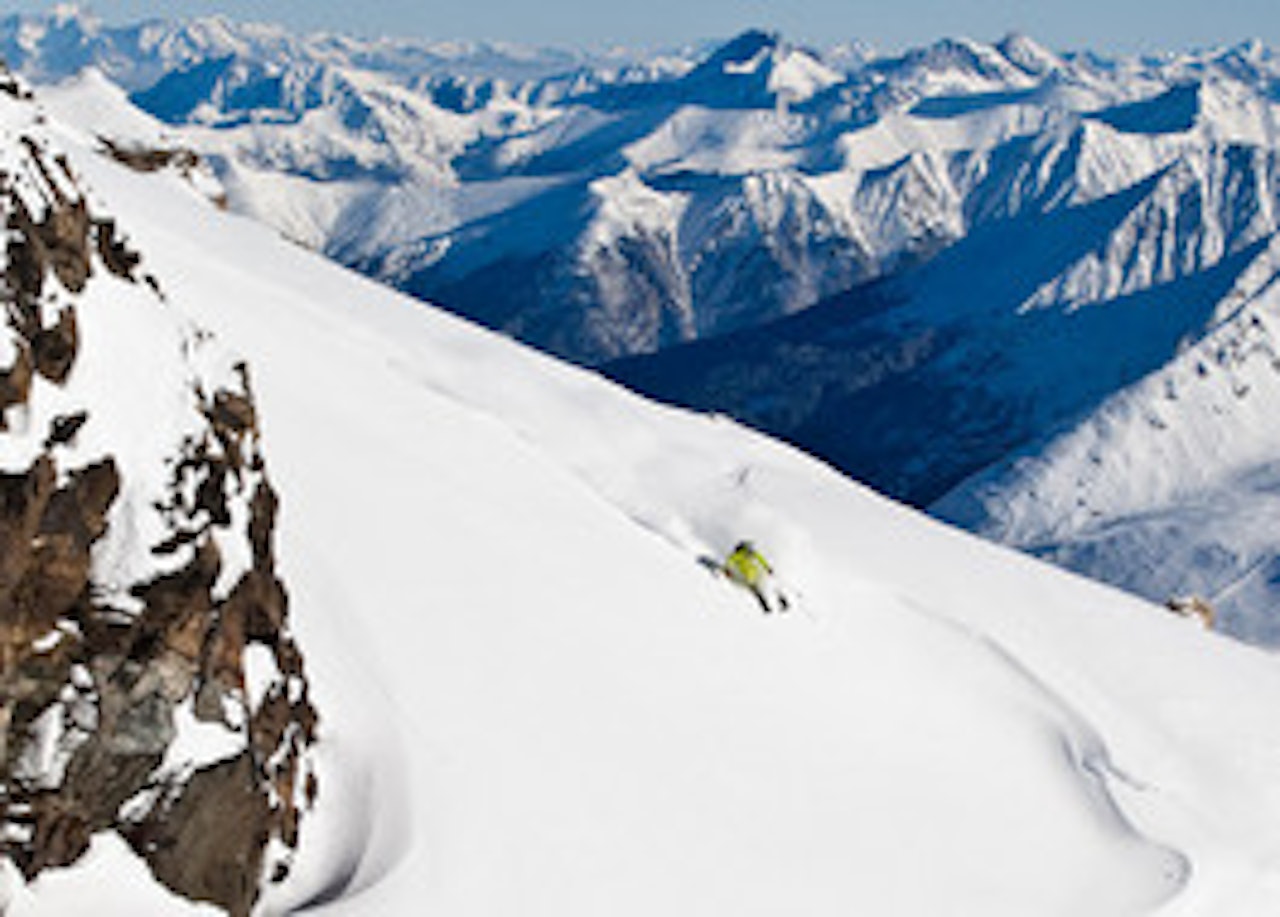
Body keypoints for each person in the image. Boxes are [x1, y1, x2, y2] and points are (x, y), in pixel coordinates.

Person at [723, 540, 788, 613]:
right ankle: (768, 606)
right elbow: (730, 561)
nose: (750, 551)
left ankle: (781, 601)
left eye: (750, 549)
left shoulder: (752, 554)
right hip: (749, 577)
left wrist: (767, 568)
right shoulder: (738, 555)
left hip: (756, 574)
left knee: (766, 587)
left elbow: (761, 559)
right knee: (759, 591)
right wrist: (727, 570)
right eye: (748, 549)